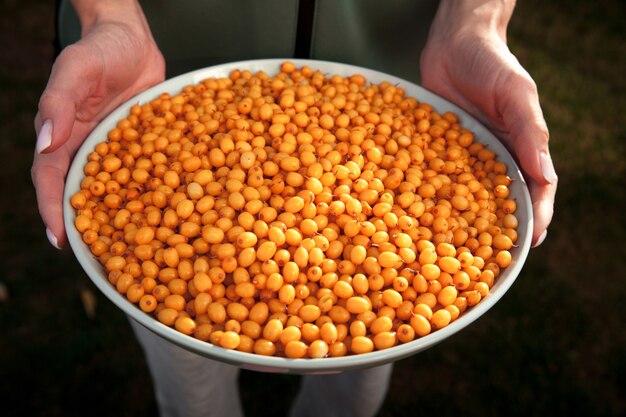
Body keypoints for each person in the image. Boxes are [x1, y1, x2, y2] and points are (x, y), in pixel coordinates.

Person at [31, 1, 558, 416]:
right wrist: (107, 13)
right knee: (192, 388)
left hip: (406, 83)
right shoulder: (165, 217)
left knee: (358, 377)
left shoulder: (398, 250)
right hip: (161, 68)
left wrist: (475, 20)